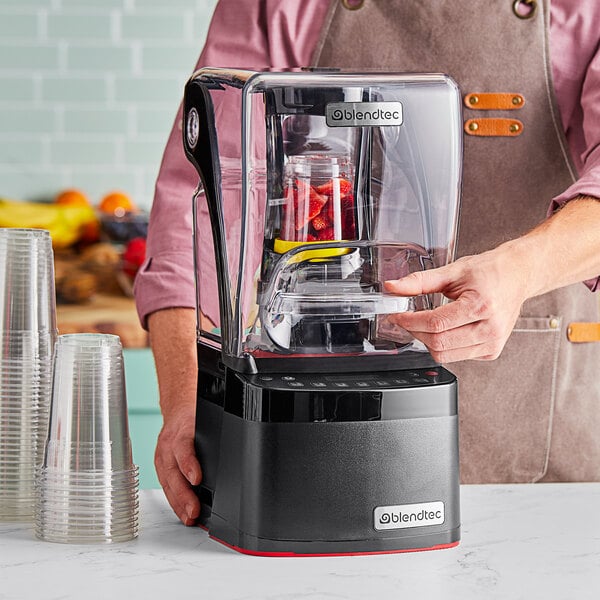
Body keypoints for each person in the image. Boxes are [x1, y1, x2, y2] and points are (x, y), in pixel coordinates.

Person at [134, 0, 600, 526]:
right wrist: (189, 397)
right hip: (309, 459)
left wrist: (517, 271)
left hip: (546, 468)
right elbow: (197, 193)